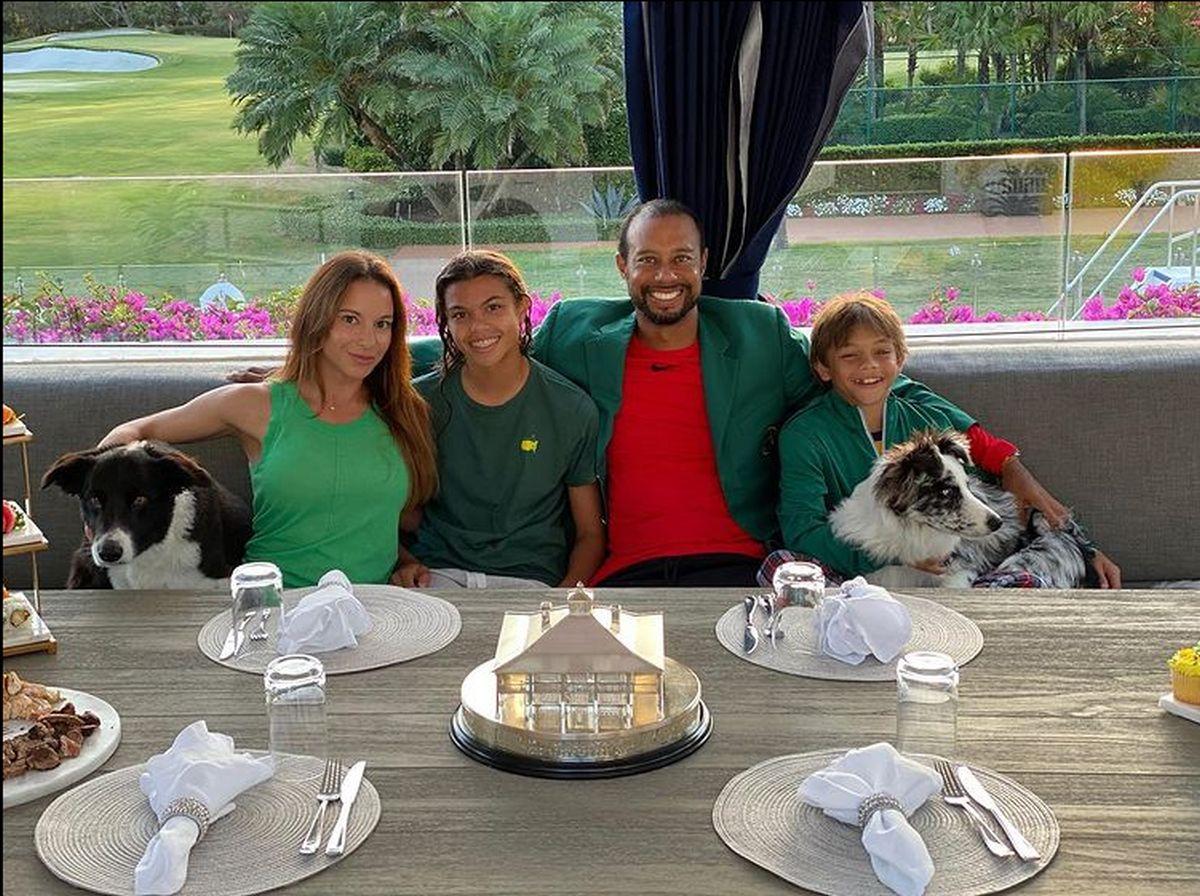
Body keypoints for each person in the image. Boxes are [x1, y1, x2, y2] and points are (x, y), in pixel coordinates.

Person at [533, 199, 1015, 587]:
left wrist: (1004, 460)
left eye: (681, 258)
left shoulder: (758, 333)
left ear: (702, 263)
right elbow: (501, 375)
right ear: (622, 266)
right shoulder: (573, 333)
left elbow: (861, 380)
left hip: (742, 564)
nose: (665, 276)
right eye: (647, 261)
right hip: (623, 570)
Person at [98, 250, 438, 588]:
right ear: (316, 321)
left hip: (378, 608)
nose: (369, 340)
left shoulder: (404, 410)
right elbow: (132, 431)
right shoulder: (256, 404)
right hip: (276, 604)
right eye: (349, 319)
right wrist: (105, 514)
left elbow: (369, 515)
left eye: (383, 324)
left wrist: (406, 561)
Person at [773, 291, 1121, 587]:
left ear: (900, 359)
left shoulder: (928, 418)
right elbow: (802, 531)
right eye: (850, 356)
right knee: (781, 564)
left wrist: (1086, 549)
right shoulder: (805, 436)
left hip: (971, 562)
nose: (869, 366)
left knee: (1045, 563)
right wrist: (900, 552)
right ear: (822, 367)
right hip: (866, 564)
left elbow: (995, 483)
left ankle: (986, 603)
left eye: (882, 352)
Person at [392, 250, 605, 589]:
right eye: (460, 314)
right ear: (445, 322)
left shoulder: (572, 409)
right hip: (438, 574)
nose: (478, 327)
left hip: (532, 580)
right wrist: (405, 562)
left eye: (493, 307)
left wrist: (564, 603)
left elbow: (591, 535)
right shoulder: (418, 404)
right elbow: (385, 508)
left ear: (521, 308)